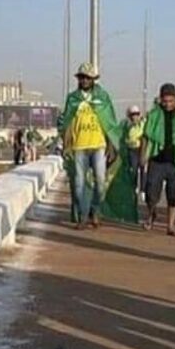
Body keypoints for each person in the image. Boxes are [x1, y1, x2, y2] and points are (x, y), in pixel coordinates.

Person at [57, 63, 121, 229]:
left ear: (93, 79)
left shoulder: (103, 97)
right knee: (79, 184)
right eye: (82, 77)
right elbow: (66, 122)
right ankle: (82, 217)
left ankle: (95, 209)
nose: (84, 80)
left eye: (88, 77)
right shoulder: (72, 99)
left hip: (98, 145)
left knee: (100, 183)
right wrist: (66, 144)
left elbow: (110, 123)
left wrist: (112, 145)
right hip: (79, 146)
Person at [141, 83, 175, 235]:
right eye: (165, 101)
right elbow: (146, 136)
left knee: (174, 195)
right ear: (160, 99)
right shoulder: (153, 114)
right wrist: (143, 156)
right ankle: (151, 214)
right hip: (157, 160)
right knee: (151, 193)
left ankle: (170, 226)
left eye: (171, 101)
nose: (168, 104)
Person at [122, 106, 146, 198]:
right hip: (132, 149)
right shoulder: (127, 126)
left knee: (143, 169)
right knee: (134, 169)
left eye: (136, 114)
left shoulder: (143, 123)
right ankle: (134, 187)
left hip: (142, 148)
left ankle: (143, 189)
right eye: (132, 115)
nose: (134, 117)